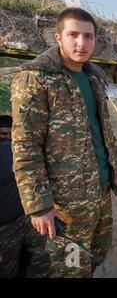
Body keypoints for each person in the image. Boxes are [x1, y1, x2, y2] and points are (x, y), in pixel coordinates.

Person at [11, 8, 117, 277]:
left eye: (88, 36)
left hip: (99, 191)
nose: (81, 43)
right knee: (70, 268)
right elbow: (25, 147)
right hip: (66, 203)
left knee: (98, 251)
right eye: (73, 35)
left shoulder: (94, 77)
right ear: (58, 37)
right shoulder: (36, 79)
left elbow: (104, 128)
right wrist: (39, 206)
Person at [0, 115, 50, 278]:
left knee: (44, 257)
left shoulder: (19, 151)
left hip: (28, 218)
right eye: (2, 135)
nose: (6, 139)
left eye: (9, 134)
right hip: (4, 229)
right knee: (8, 269)